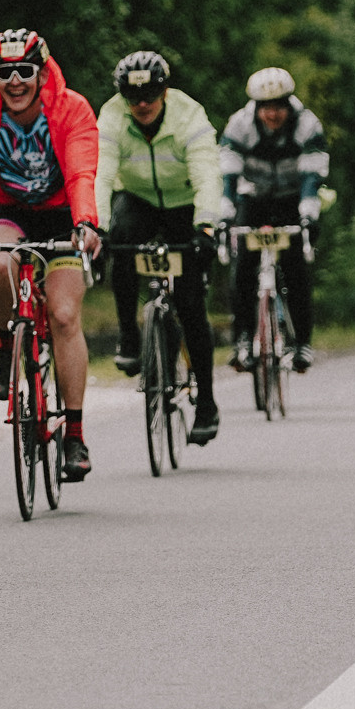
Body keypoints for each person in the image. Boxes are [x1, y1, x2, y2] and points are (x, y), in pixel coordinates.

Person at [0, 29, 104, 481]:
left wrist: (86, 222)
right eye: (4, 72)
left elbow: (81, 171)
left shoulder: (71, 108)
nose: (14, 82)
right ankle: (5, 343)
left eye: (24, 71)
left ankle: (73, 434)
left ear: (42, 71)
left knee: (66, 316)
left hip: (62, 213)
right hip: (7, 209)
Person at [94, 50, 226, 445]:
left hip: (184, 203)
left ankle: (207, 404)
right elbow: (101, 174)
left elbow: (207, 174)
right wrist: (95, 228)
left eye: (150, 94)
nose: (142, 105)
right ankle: (129, 338)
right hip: (137, 198)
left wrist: (205, 225)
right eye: (133, 97)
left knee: (190, 305)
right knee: (120, 244)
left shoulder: (190, 115)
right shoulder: (112, 116)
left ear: (165, 91)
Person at [219, 67, 327, 373]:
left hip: (293, 197)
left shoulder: (307, 124)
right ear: (256, 106)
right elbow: (228, 173)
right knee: (242, 269)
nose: (273, 114)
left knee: (296, 269)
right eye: (266, 107)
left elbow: (312, 175)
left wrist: (308, 216)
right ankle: (242, 339)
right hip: (252, 196)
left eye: (279, 106)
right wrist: (226, 217)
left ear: (289, 103)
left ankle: (302, 342)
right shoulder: (240, 124)